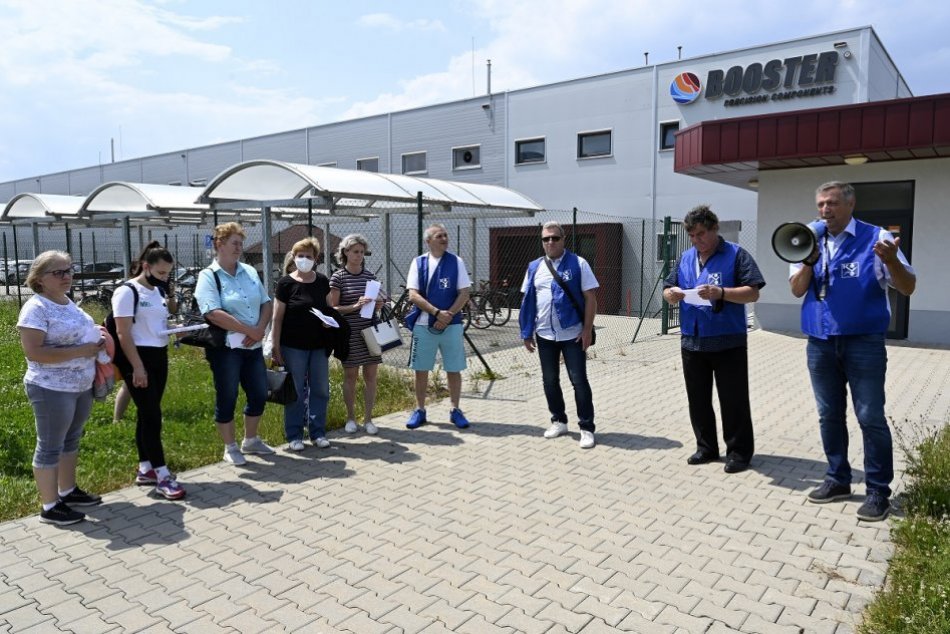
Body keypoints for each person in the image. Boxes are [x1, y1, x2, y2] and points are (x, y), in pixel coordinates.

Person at [789, 181, 916, 521]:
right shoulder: (806, 238)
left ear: (850, 204)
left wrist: (892, 262)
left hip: (863, 342)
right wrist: (808, 262)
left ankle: (877, 491)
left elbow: (908, 287)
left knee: (870, 417)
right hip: (820, 342)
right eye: (820, 204)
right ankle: (838, 479)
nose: (824, 210)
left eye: (831, 203)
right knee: (828, 414)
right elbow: (797, 290)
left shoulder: (877, 238)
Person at [663, 206, 765, 473]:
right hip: (692, 340)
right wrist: (670, 294)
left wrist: (721, 292)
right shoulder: (686, 257)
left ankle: (739, 453)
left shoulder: (736, 254)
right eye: (692, 236)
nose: (696, 240)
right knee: (697, 399)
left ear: (714, 229)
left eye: (701, 234)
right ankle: (706, 447)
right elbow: (668, 287)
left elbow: (753, 292)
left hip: (728, 341)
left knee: (733, 400)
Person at [17, 251, 104, 525]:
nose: (67, 276)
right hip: (50, 387)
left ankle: (67, 491)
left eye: (69, 270)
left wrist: (97, 337)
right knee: (50, 446)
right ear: (39, 279)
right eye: (59, 272)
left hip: (80, 385)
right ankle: (50, 506)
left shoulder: (67, 302)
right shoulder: (36, 308)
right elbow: (34, 352)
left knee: (71, 439)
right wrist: (82, 350)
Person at [195, 222, 276, 465]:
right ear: (219, 244)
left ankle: (250, 440)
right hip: (226, 350)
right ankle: (229, 446)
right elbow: (212, 313)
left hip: (253, 347)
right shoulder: (208, 276)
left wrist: (260, 329)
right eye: (234, 243)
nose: (239, 248)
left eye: (241, 243)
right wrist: (249, 330)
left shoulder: (249, 271)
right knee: (227, 394)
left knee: (259, 393)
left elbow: (266, 302)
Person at [111, 241, 184, 500]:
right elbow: (123, 333)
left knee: (147, 413)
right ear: (146, 266)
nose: (165, 277)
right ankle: (162, 475)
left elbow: (156, 324)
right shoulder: (127, 291)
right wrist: (137, 367)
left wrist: (176, 330)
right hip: (137, 358)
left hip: (159, 355)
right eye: (161, 272)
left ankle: (145, 469)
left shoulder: (157, 292)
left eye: (168, 273)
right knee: (153, 417)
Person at [520, 221, 599, 449]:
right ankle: (559, 421)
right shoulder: (534, 267)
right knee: (549, 380)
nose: (551, 242)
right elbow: (528, 301)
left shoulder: (579, 263)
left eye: (555, 238)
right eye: (546, 239)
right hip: (545, 335)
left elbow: (590, 298)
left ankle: (586, 427)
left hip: (573, 334)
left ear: (563, 239)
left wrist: (587, 329)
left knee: (579, 381)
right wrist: (526, 332)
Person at [403, 223, 472, 430]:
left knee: (453, 368)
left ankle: (455, 410)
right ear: (428, 241)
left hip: (452, 325)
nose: (444, 239)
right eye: (439, 236)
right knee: (421, 369)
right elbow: (413, 294)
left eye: (445, 235)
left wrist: (447, 316)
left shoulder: (456, 261)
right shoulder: (419, 262)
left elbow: (464, 293)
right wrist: (436, 313)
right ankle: (420, 410)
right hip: (424, 325)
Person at [271, 237, 334, 451]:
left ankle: (318, 432)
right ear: (294, 257)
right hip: (292, 347)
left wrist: (329, 322)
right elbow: (277, 318)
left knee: (321, 389)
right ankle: (294, 435)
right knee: (296, 391)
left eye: (309, 256)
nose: (304, 259)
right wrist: (276, 346)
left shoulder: (322, 281)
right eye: (300, 255)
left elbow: (329, 309)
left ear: (316, 259)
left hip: (319, 346)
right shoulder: (285, 283)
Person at [330, 234, 385, 435]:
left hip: (370, 332)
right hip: (350, 333)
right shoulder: (338, 277)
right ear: (345, 252)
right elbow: (333, 308)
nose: (359, 255)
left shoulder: (370, 276)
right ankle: (351, 418)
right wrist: (355, 305)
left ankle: (369, 419)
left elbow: (377, 303)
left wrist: (378, 304)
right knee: (351, 376)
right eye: (355, 252)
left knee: (371, 376)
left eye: (362, 252)